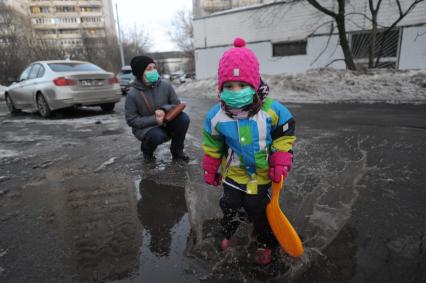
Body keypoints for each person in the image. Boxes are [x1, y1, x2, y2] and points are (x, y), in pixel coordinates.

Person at [202, 38, 296, 265]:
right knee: (229, 204)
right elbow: (213, 143)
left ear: (254, 84)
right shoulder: (217, 115)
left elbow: (285, 132)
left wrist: (281, 157)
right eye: (229, 86)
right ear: (221, 87)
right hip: (234, 173)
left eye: (242, 85)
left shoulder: (271, 110)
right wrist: (211, 166)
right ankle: (229, 232)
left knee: (257, 208)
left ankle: (266, 242)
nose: (235, 92)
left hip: (262, 173)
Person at [125, 55, 190, 162]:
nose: (153, 71)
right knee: (157, 136)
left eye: (154, 68)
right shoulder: (132, 94)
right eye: (149, 69)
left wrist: (164, 110)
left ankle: (177, 151)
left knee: (183, 119)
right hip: (147, 128)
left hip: (166, 120)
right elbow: (131, 120)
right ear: (140, 72)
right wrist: (154, 119)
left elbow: (176, 104)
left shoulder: (165, 85)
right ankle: (147, 151)